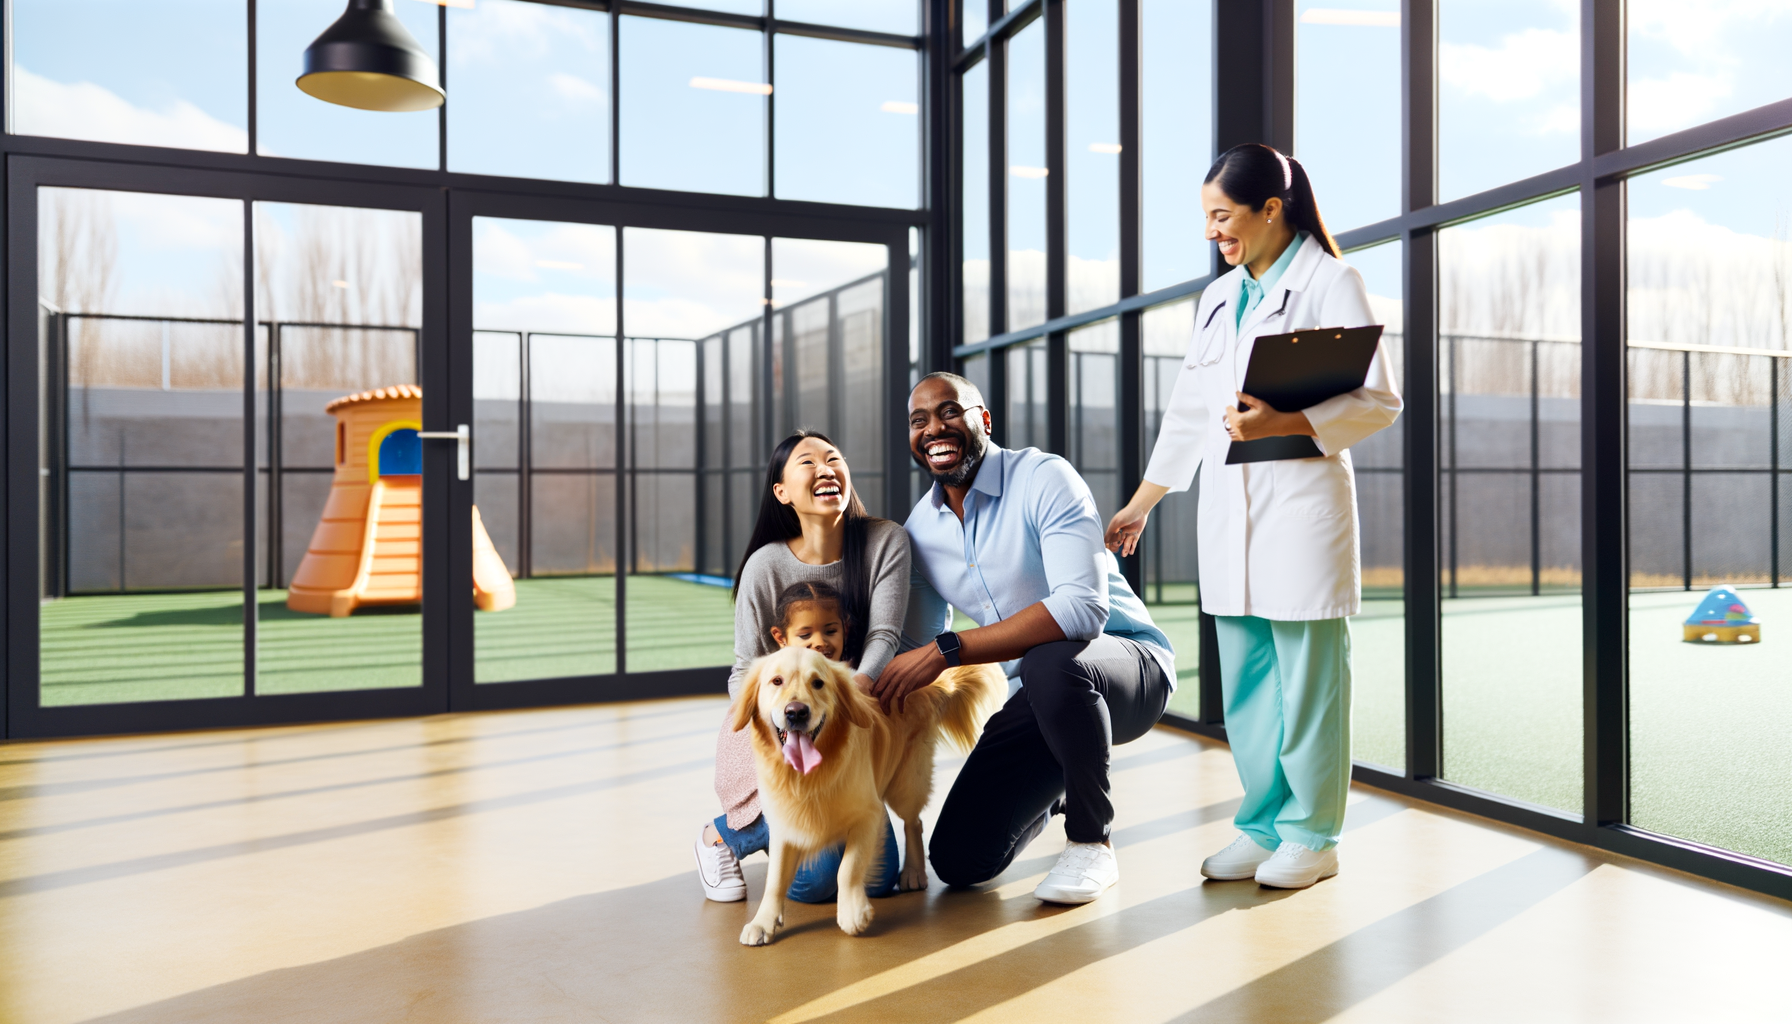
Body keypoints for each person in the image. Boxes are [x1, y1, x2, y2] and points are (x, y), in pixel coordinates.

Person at [1105, 143, 1402, 889]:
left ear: (1272, 209)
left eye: (1223, 216)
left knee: (1308, 681)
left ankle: (1314, 835)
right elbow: (1188, 414)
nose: (1213, 232)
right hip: (1229, 517)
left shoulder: (1332, 281)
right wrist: (1142, 505)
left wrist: (1283, 425)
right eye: (1207, 218)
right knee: (1246, 683)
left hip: (1299, 509)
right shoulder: (1218, 297)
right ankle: (1262, 824)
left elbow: (1378, 402)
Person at [874, 373, 1175, 905]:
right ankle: (1053, 790)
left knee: (1051, 660)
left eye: (950, 411)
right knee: (960, 861)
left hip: (1128, 668)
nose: (934, 428)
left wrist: (950, 650)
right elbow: (915, 645)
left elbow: (1082, 610)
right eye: (919, 421)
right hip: (1040, 701)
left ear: (983, 420)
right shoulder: (919, 531)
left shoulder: (1044, 477)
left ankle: (1091, 841)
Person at [693, 431, 911, 903]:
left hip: (847, 715)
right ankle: (721, 837)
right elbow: (743, 669)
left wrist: (846, 700)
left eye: (834, 458)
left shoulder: (885, 540)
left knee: (877, 879)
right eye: (808, 462)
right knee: (813, 886)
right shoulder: (764, 566)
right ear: (782, 492)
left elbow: (884, 637)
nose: (826, 468)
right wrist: (776, 727)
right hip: (778, 724)